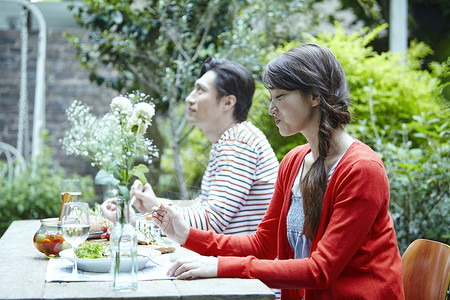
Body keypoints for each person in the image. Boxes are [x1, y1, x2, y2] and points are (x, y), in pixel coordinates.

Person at [150, 44, 405, 299]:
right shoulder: (294, 162)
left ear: (315, 96)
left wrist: (219, 266)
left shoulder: (361, 170)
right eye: (271, 97)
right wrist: (186, 235)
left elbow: (320, 270)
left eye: (280, 96)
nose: (272, 108)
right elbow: (263, 243)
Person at [101, 57, 279, 235]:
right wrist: (155, 204)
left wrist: (131, 221)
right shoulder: (231, 139)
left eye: (200, 90)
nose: (189, 98)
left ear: (228, 102)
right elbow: (204, 207)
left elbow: (211, 221)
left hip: (245, 260)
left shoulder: (238, 143)